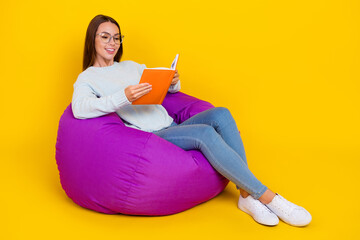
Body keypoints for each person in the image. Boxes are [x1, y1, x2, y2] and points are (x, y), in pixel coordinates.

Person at [71, 14, 312, 227]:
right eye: (105, 37)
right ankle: (269, 197)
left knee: (221, 113)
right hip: (152, 138)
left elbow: (167, 92)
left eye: (117, 37)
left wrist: (172, 81)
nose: (112, 43)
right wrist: (123, 97)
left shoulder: (132, 66)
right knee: (205, 134)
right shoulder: (88, 78)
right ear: (92, 38)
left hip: (172, 127)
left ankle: (246, 196)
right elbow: (80, 109)